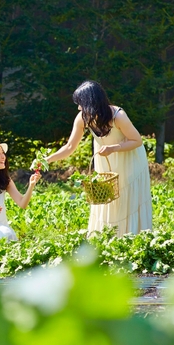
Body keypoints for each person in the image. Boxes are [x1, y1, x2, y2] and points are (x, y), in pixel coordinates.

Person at [46, 80, 152, 237]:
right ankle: (108, 237)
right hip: (107, 162)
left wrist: (113, 148)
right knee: (108, 198)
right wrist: (47, 159)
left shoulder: (118, 116)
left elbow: (137, 141)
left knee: (127, 199)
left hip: (129, 160)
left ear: (91, 102)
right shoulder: (82, 118)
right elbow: (69, 147)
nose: (78, 108)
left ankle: (131, 237)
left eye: (80, 103)